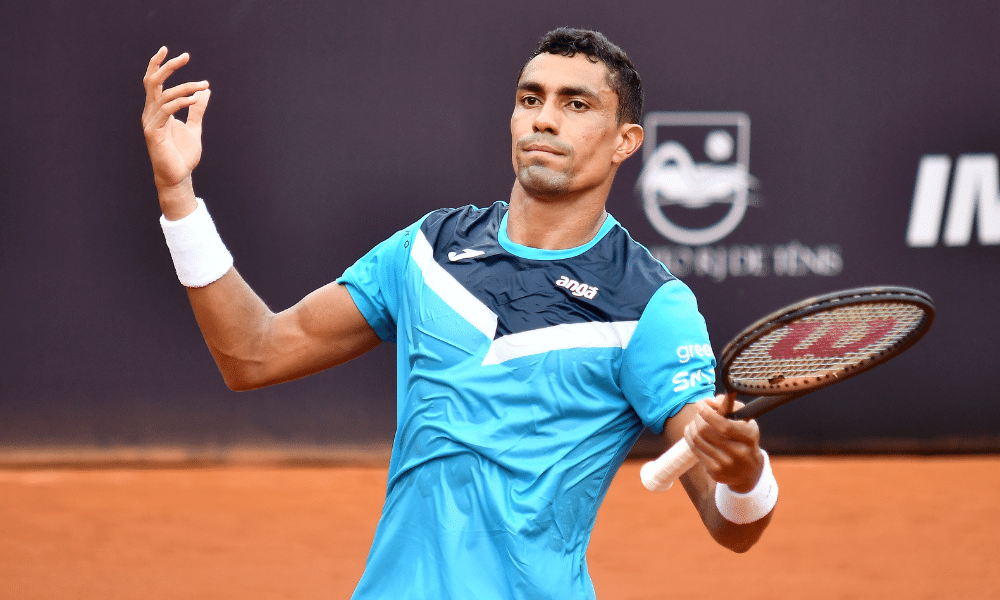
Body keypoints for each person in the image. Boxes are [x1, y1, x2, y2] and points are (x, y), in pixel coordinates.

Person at [142, 27, 776, 599]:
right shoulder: (428, 249)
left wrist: (746, 474)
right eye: (531, 99)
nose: (544, 121)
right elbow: (253, 353)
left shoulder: (649, 307)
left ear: (625, 142)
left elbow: (731, 527)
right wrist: (178, 194)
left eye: (575, 105)